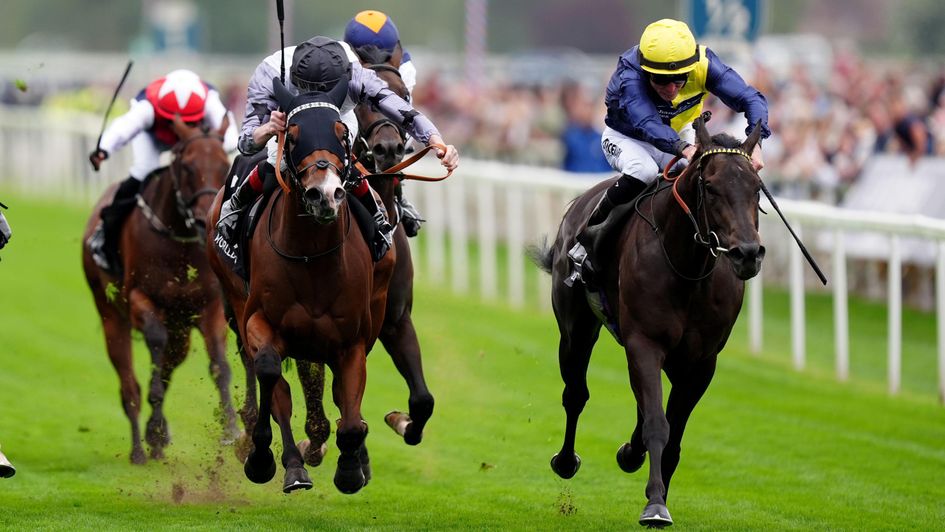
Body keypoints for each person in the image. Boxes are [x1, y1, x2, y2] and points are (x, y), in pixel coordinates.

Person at [216, 36, 458, 261]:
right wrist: (267, 129)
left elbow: (403, 112)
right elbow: (246, 143)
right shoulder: (269, 74)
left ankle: (379, 220)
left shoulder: (358, 77)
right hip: (293, 114)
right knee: (275, 159)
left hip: (339, 113)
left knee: (341, 158)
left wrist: (436, 141)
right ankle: (234, 207)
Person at [568, 18, 770, 285]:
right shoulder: (629, 75)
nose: (673, 90)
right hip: (629, 138)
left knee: (709, 178)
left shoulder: (705, 64)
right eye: (663, 81)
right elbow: (647, 123)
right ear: (647, 70)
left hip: (680, 132)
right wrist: (684, 148)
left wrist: (756, 143)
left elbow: (750, 98)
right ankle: (587, 238)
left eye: (680, 80)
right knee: (644, 171)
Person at [87, 69, 238, 274]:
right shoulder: (147, 108)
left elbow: (230, 139)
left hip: (196, 140)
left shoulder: (209, 101)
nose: (179, 128)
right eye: (174, 123)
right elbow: (123, 128)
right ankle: (105, 235)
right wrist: (103, 149)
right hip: (155, 139)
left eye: (188, 122)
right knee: (143, 170)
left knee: (213, 172)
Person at [343, 9, 424, 237]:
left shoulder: (405, 69)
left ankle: (398, 195)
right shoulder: (341, 66)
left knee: (394, 143)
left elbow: (407, 113)